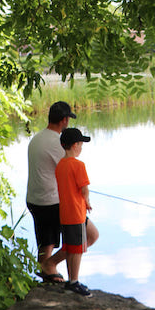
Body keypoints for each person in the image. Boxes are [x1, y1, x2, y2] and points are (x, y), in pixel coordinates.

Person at [26, 101, 76, 283]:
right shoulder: (57, 142)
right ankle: (51, 266)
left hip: (34, 199)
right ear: (64, 120)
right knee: (86, 236)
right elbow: (69, 171)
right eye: (68, 119)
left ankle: (46, 277)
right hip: (51, 202)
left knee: (45, 241)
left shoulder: (37, 138)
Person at [55, 127, 99, 297]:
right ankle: (74, 282)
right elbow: (84, 189)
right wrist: (87, 201)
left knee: (70, 247)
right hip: (76, 213)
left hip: (65, 213)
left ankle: (70, 281)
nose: (81, 148)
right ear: (74, 145)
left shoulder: (60, 165)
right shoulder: (78, 165)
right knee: (77, 249)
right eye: (81, 144)